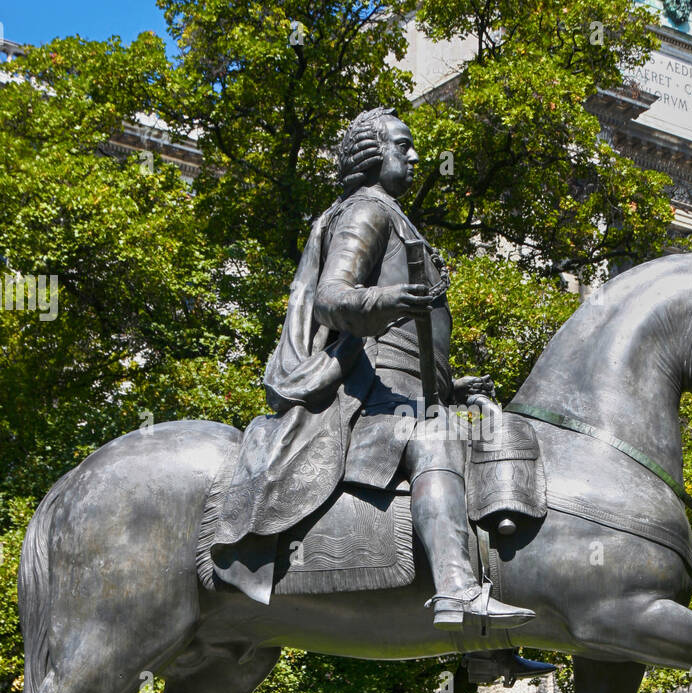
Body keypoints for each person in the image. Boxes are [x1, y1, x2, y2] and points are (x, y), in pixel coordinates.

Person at [211, 107, 545, 660]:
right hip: (357, 402)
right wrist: (386, 300)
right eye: (404, 146)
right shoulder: (368, 210)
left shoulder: (393, 215)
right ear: (372, 153)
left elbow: (408, 353)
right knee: (436, 439)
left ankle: (487, 646)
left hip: (399, 396)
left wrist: (453, 386)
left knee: (491, 435)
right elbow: (331, 297)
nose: (415, 157)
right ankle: (458, 594)